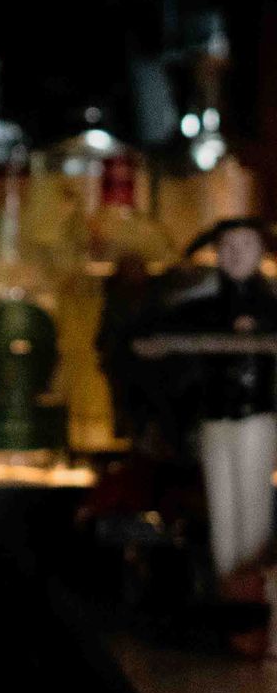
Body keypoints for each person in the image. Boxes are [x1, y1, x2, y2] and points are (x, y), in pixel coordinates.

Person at [134, 218, 277, 582]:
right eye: (226, 246)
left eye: (245, 245)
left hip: (255, 418)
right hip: (214, 418)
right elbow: (155, 331)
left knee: (254, 504)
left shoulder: (269, 308)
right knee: (221, 506)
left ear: (261, 251)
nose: (235, 254)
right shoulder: (201, 309)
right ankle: (227, 583)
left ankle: (250, 586)